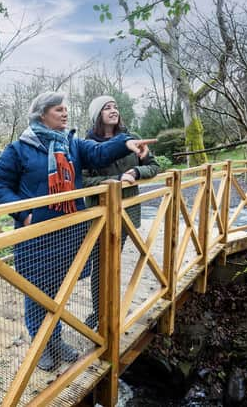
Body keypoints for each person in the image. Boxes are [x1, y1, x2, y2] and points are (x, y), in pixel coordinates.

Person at [0, 91, 155, 372]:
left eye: (66, 109)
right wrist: (24, 213)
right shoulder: (19, 149)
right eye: (58, 110)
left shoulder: (73, 145)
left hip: (69, 230)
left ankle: (54, 341)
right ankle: (40, 343)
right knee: (37, 291)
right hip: (36, 234)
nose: (65, 113)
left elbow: (99, 152)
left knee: (60, 290)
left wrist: (126, 142)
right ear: (42, 114)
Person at [82, 95, 160, 329]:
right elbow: (84, 181)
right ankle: (99, 313)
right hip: (99, 213)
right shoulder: (88, 144)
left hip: (127, 210)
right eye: (107, 108)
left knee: (113, 262)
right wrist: (115, 179)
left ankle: (111, 310)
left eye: (115, 107)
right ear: (97, 115)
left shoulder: (133, 139)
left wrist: (136, 172)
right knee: (100, 265)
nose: (113, 111)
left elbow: (155, 166)